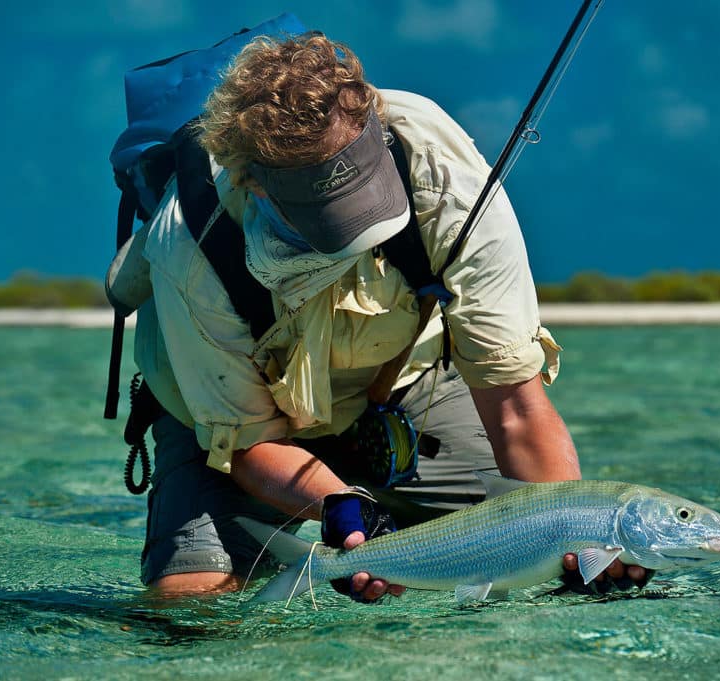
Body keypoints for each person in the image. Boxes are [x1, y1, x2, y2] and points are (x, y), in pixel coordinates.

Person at [131, 31, 648, 601]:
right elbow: (250, 446)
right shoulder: (186, 242)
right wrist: (342, 508)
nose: (356, 237)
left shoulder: (442, 168)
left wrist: (572, 552)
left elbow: (517, 408)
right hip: (236, 429)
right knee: (191, 604)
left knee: (525, 560)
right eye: (328, 220)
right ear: (254, 182)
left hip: (403, 386)